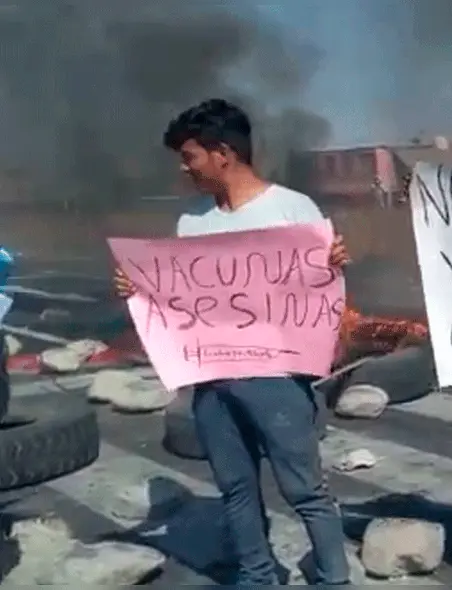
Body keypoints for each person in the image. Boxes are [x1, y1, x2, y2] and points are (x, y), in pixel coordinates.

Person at [114, 99, 353, 585]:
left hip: (276, 379)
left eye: (190, 156)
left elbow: (316, 288)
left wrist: (331, 264)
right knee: (235, 489)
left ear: (223, 152)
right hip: (212, 381)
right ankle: (256, 575)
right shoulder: (193, 219)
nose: (185, 169)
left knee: (304, 489)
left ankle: (334, 577)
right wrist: (142, 287)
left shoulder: (291, 208)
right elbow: (188, 297)